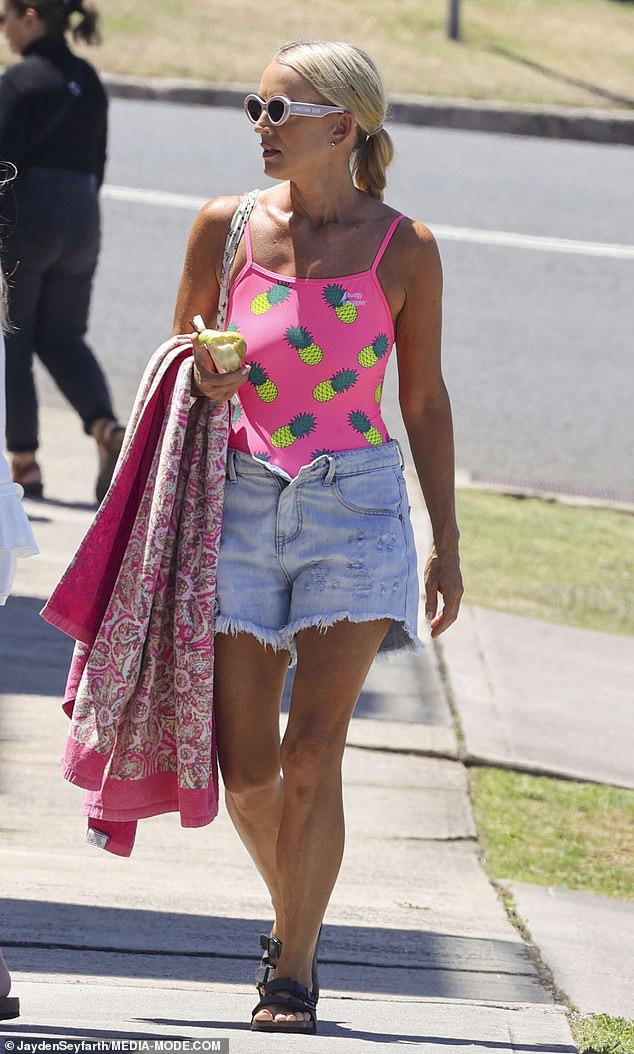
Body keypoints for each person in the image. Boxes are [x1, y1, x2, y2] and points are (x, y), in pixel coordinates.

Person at [172, 39, 463, 1035]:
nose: (259, 128)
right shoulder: (224, 229)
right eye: (252, 110)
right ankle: (292, 910)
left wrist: (446, 539)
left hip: (357, 505)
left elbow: (422, 400)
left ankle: (291, 967)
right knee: (245, 768)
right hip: (241, 501)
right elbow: (179, 364)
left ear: (341, 128)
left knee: (311, 757)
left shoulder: (405, 248)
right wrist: (204, 379)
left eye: (278, 114)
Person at [0, 0, 124, 502]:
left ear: (31, 16)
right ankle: (105, 427)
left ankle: (24, 462)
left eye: (4, 17)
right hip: (81, 220)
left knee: (12, 337)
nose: (3, 29)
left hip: (27, 219)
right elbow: (99, 161)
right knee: (64, 336)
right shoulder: (89, 79)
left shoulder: (19, 82)